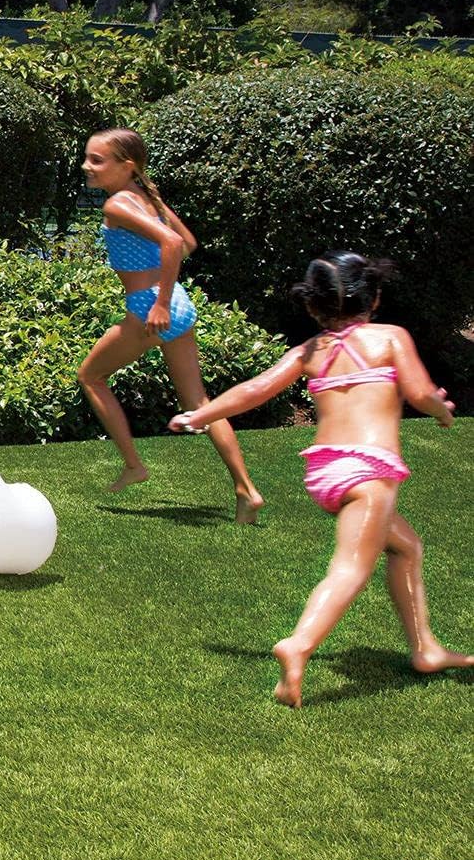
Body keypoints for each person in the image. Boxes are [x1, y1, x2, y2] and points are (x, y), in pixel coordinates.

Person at [169, 251, 470, 707]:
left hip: (326, 473)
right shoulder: (390, 338)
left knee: (406, 547)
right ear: (375, 297)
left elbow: (255, 390)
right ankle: (299, 644)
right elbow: (420, 392)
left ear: (313, 306)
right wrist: (440, 410)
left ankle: (425, 648)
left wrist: (199, 415)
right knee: (350, 567)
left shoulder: (309, 352)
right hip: (369, 471)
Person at [78, 128, 265, 522]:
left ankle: (134, 465)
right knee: (199, 403)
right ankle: (246, 490)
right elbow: (188, 242)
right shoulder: (148, 197)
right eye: (87, 158)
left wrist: (159, 303)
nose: (87, 166)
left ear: (126, 165)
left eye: (97, 160)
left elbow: (175, 244)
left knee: (90, 377)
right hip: (177, 301)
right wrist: (165, 292)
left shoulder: (117, 205)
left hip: (151, 307)